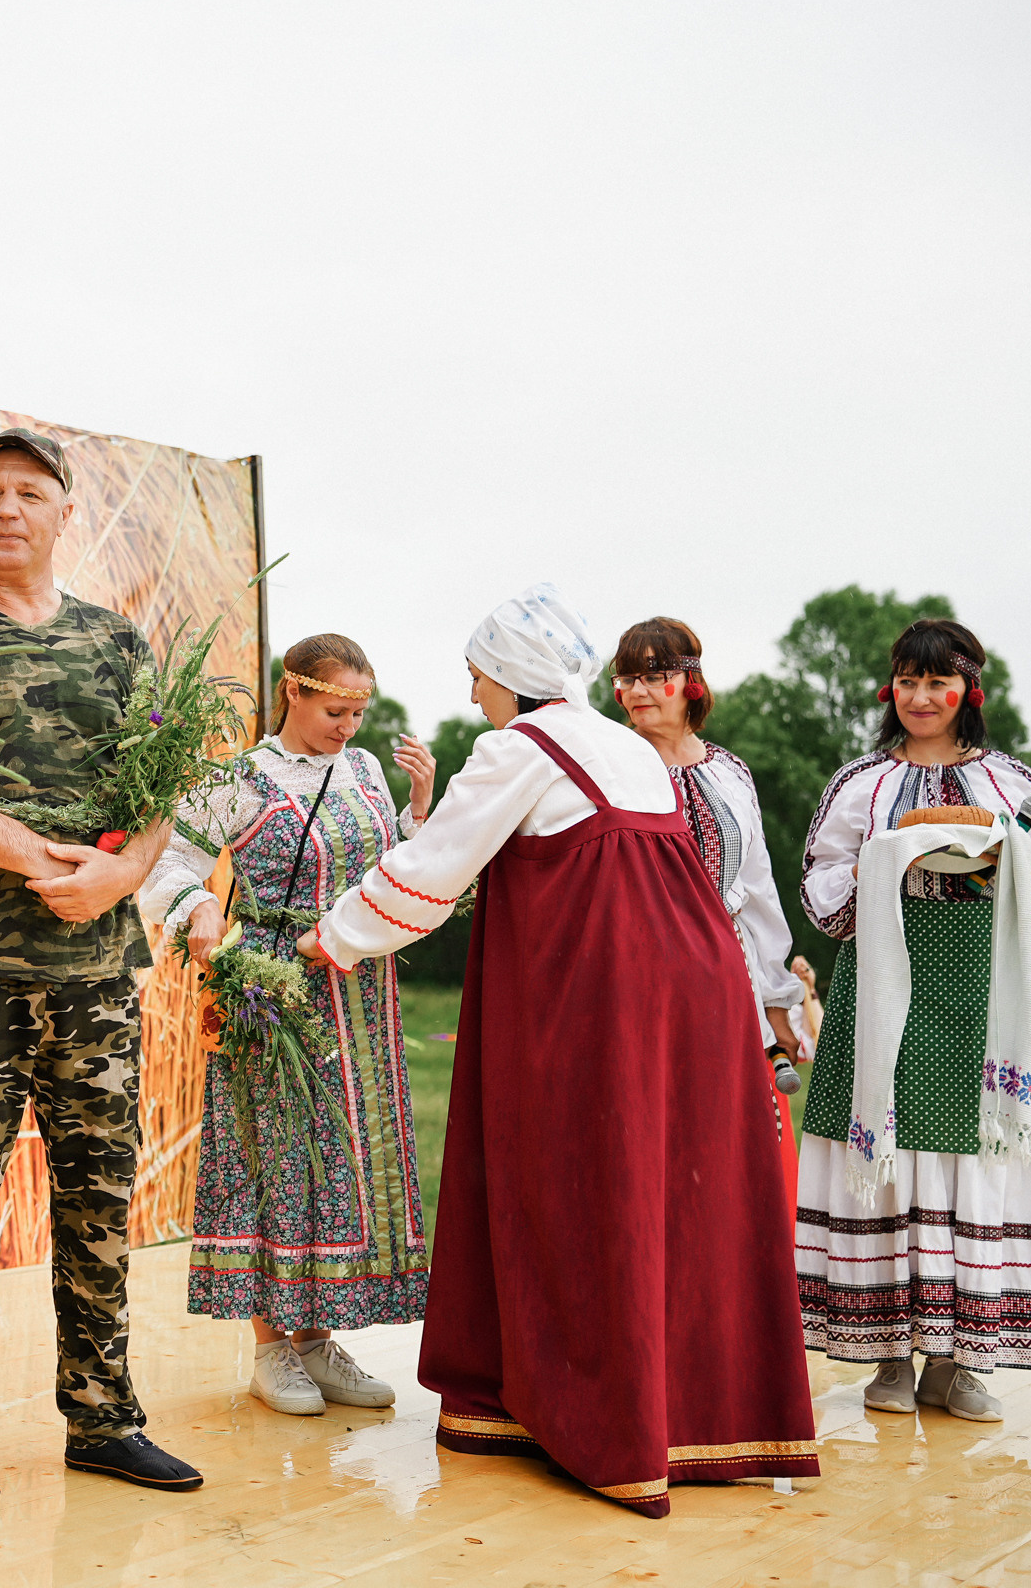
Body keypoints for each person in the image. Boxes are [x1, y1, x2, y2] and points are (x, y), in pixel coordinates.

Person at [297, 584, 819, 1519]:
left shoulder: (522, 747)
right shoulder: (624, 746)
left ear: (509, 674)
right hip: (698, 990)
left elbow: (433, 864)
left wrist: (333, 936)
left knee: (587, 1188)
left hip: (605, 993)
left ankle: (601, 1419)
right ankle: (693, 1417)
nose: (472, 695)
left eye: (476, 676)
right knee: (672, 1194)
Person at [0, 427, 203, 1504]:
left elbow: (160, 785)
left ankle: (105, 1419)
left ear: (65, 512)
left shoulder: (116, 643)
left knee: (99, 1201)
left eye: (28, 492)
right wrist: (38, 859)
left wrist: (123, 877)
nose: (7, 508)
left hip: (97, 972)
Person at [137, 634, 435, 1417]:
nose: (349, 727)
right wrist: (200, 907)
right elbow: (168, 863)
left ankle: (316, 1342)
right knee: (275, 1154)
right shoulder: (239, 779)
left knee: (338, 1161)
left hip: (358, 993)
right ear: (292, 693)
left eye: (358, 713)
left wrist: (419, 806)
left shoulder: (364, 770)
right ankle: (272, 1348)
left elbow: (394, 870)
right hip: (274, 989)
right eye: (336, 711)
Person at [795, 619, 1031, 1422]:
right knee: (888, 1158)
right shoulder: (862, 782)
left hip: (985, 992)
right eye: (910, 682)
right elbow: (821, 879)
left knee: (972, 1161)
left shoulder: (1011, 782)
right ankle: (888, 1354)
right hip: (886, 987)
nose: (922, 698)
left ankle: (957, 1361)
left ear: (967, 691)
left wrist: (1001, 863)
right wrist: (886, 865)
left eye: (939, 682)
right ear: (892, 689)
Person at [607, 618, 808, 1196]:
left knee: (733, 1133)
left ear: (691, 680)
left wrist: (777, 999)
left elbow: (758, 888)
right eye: (626, 678)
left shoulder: (730, 772)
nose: (637, 691)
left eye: (654, 676)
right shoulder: (611, 767)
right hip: (642, 971)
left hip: (727, 970)